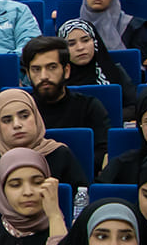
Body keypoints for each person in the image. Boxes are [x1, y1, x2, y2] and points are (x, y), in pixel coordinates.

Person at [0, 85, 90, 196]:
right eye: (7, 120)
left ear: (36, 117)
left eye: (24, 116)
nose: (17, 125)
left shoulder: (59, 154)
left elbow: (81, 201)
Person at [21, 36, 112, 172]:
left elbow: (104, 152)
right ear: (28, 74)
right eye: (36, 69)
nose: (44, 76)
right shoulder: (21, 110)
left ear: (66, 71)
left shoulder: (89, 107)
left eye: (52, 67)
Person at [57, 17, 136, 104]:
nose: (80, 48)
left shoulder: (115, 73)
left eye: (85, 40)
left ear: (95, 42)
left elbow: (133, 107)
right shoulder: (56, 81)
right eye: (71, 44)